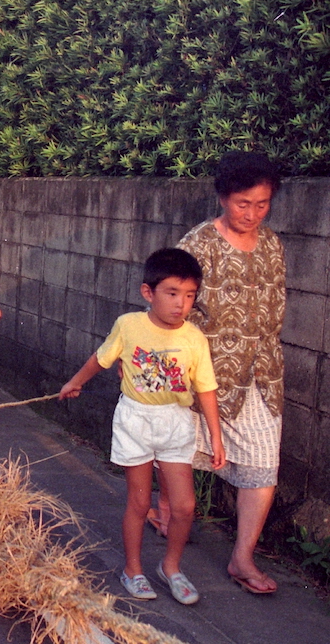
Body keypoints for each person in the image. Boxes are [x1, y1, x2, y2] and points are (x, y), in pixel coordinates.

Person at [58, 248, 225, 605]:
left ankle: (171, 567)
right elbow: (101, 359)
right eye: (172, 293)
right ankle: (133, 569)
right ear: (148, 292)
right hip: (136, 419)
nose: (181, 304)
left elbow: (206, 388)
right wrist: (76, 382)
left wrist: (216, 436)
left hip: (177, 423)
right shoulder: (129, 325)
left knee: (183, 506)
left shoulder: (195, 337)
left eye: (190, 295)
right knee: (138, 501)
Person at [152, 151, 285, 595]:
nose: (252, 213)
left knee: (263, 464)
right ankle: (166, 509)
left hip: (261, 376)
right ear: (223, 198)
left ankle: (242, 558)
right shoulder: (197, 245)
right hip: (199, 375)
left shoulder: (272, 244)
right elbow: (166, 309)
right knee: (178, 451)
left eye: (262, 204)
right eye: (243, 203)